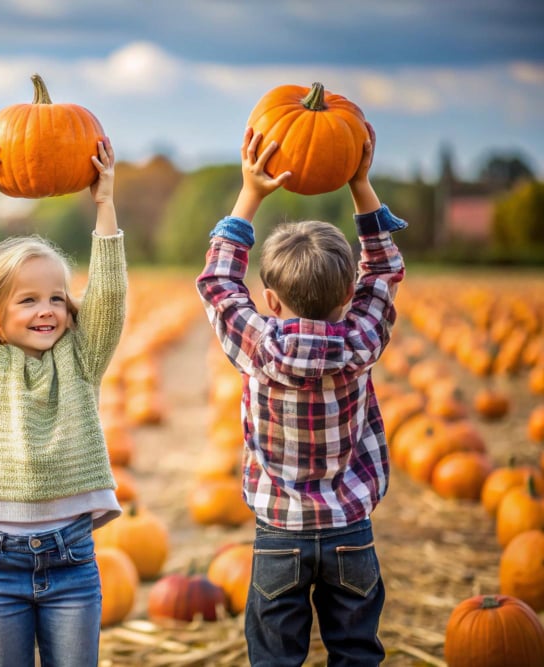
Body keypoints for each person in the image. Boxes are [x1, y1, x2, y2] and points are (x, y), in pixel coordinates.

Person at [196, 125, 406, 667]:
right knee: (357, 651)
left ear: (269, 298)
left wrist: (251, 192)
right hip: (350, 529)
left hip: (279, 532)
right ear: (348, 296)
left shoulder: (257, 348)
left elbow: (219, 284)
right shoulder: (362, 339)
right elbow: (383, 270)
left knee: (274, 657)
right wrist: (361, 182)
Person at [0, 128, 125, 667]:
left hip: (72, 557)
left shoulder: (81, 360)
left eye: (56, 298)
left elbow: (109, 295)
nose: (47, 309)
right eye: (28, 300)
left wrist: (105, 202)